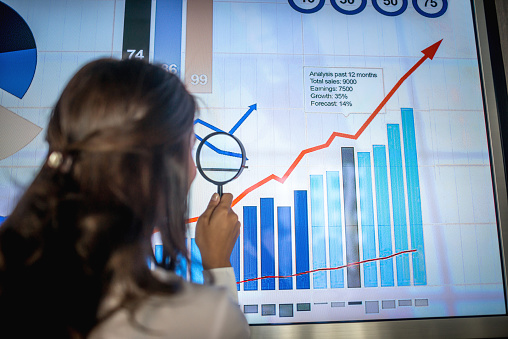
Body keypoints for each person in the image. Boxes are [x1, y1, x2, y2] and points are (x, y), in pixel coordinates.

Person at [0, 59, 250, 338]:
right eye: (189, 147)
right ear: (154, 171)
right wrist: (217, 266)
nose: (192, 169)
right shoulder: (204, 318)